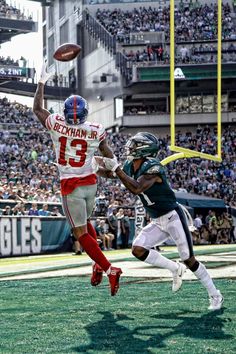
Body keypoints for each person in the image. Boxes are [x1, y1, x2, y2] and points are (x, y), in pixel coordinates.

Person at [97, 132, 223, 310]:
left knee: (189, 258)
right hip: (157, 219)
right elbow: (111, 174)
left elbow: (136, 187)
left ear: (143, 149)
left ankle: (215, 295)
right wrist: (92, 167)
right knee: (138, 249)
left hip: (172, 216)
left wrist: (116, 168)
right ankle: (174, 268)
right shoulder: (131, 164)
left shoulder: (153, 166)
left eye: (134, 145)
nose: (130, 148)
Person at [32, 63, 122, 296]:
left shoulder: (57, 124)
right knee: (85, 222)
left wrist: (41, 82)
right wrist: (113, 164)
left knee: (79, 233)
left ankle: (109, 268)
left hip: (70, 186)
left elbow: (37, 109)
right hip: (90, 184)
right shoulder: (96, 129)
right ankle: (98, 264)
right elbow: (107, 151)